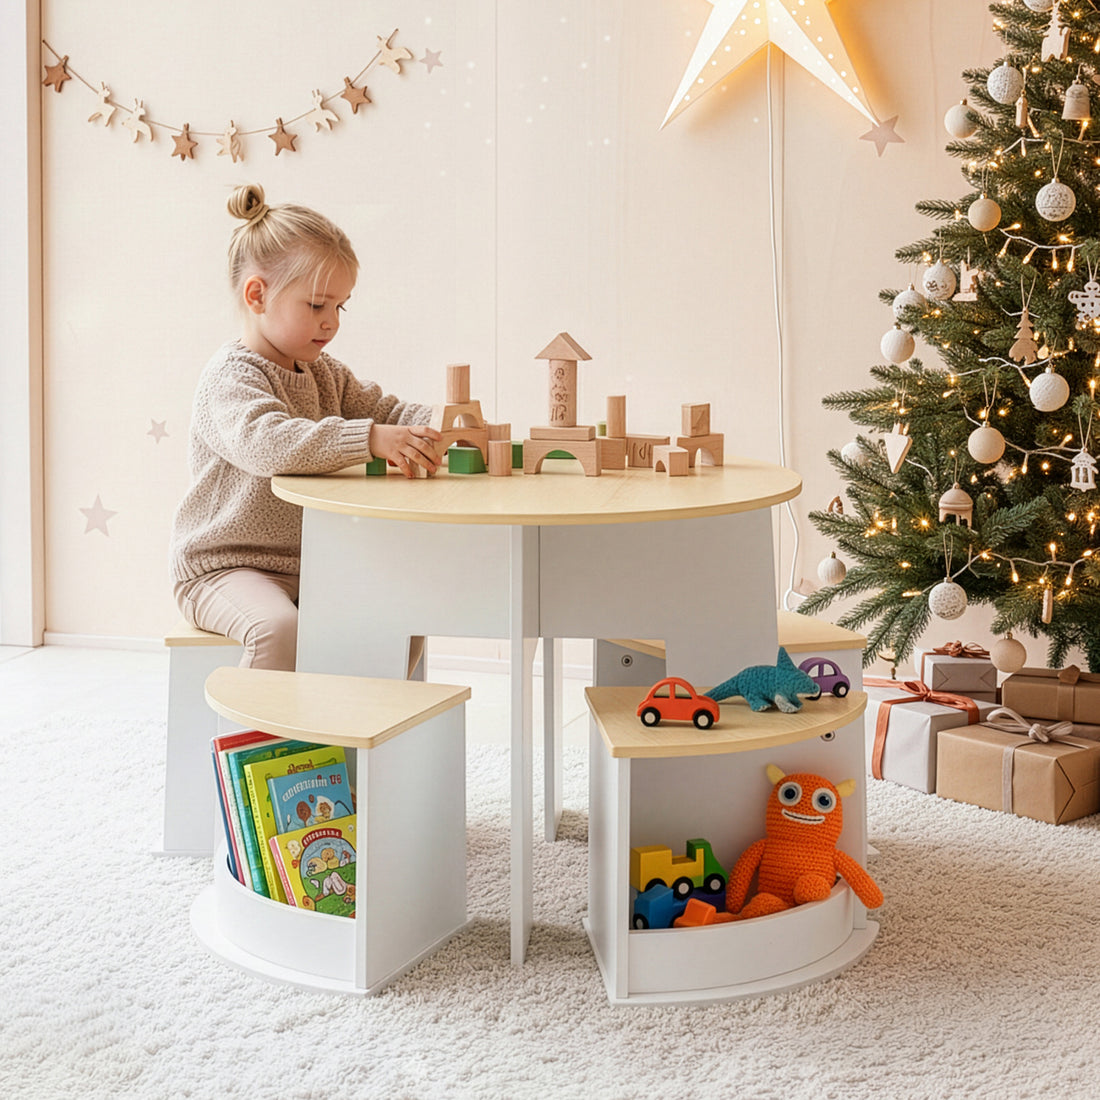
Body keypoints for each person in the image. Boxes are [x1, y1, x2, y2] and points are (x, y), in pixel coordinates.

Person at [170, 183, 441, 670]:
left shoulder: (323, 373)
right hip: (225, 568)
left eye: (340, 306)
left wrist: (446, 423)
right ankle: (258, 746)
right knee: (277, 629)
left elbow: (386, 410)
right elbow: (269, 443)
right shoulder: (231, 378)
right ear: (258, 295)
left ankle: (359, 734)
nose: (332, 322)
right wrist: (370, 440)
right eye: (317, 305)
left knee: (402, 610)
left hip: (311, 566)